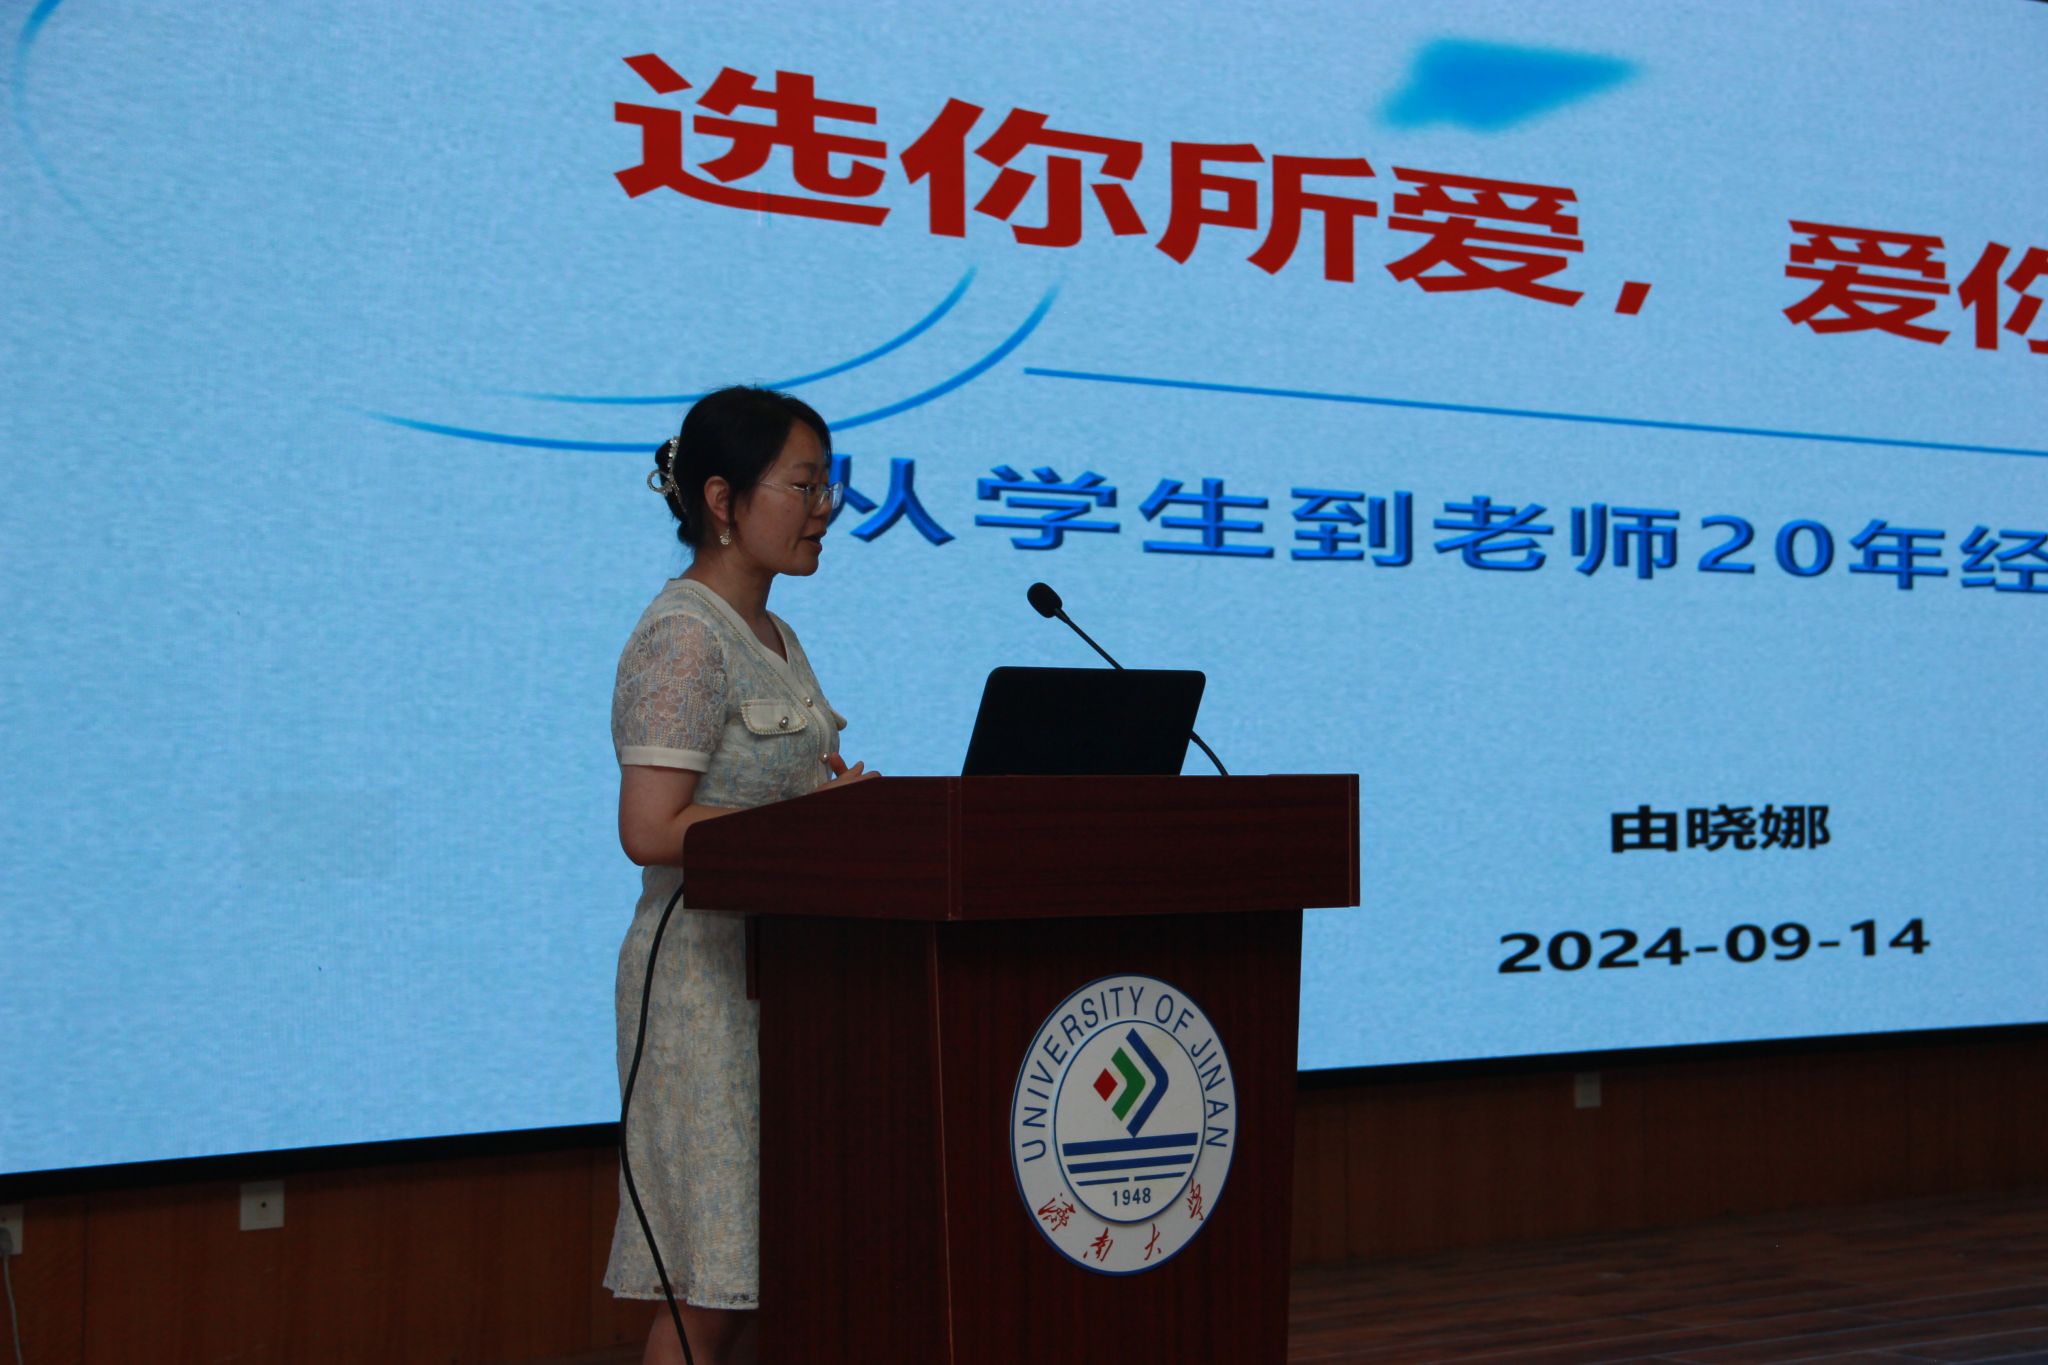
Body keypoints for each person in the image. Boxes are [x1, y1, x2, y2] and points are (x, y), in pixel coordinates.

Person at [604, 385, 878, 1365]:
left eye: (827, 485)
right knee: (712, 1285)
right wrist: (806, 823)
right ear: (722, 499)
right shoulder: (686, 635)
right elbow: (650, 827)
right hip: (705, 988)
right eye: (803, 485)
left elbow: (772, 797)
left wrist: (837, 805)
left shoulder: (775, 636)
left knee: (768, 1268)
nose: (825, 509)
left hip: (786, 978)